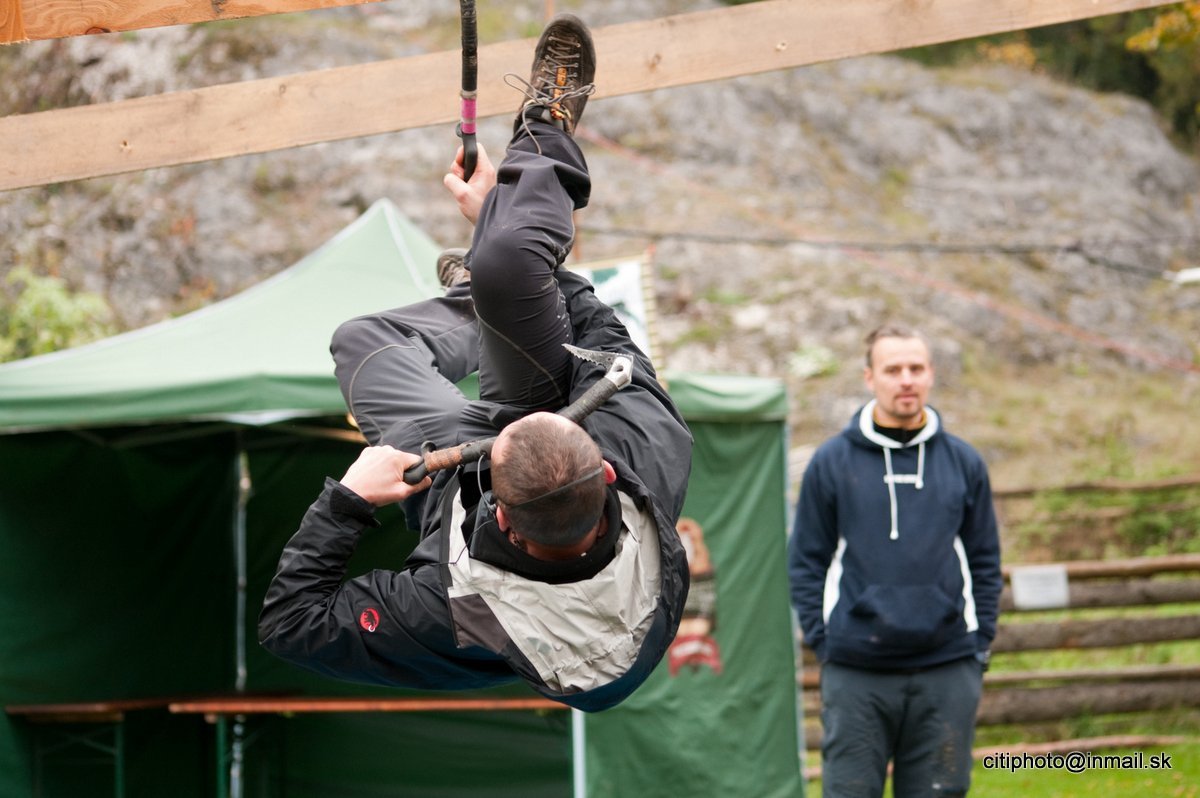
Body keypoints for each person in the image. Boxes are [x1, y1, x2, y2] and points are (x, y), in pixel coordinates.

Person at [258, 14, 693, 713]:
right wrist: (502, 231)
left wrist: (349, 501)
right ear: (607, 468)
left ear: (503, 514)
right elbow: (590, 320)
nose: (496, 416)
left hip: (482, 546)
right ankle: (543, 133)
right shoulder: (648, 445)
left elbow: (291, 624)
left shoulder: (450, 611)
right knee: (511, 264)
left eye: (502, 434)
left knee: (361, 342)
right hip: (544, 423)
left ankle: (491, 292)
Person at [787, 324, 1002, 797]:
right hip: (857, 669)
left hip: (947, 666)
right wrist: (825, 642)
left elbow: (985, 559)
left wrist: (979, 640)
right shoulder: (832, 462)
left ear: (931, 374)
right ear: (870, 377)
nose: (906, 379)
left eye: (916, 368)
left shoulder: (964, 462)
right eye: (893, 369)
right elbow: (806, 561)